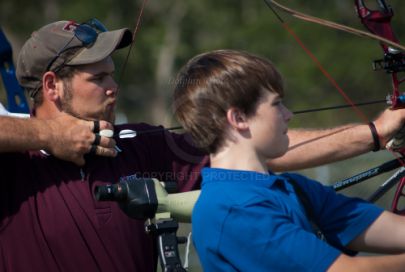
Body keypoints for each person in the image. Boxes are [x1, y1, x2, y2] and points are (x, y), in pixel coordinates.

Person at [0, 19, 404, 271]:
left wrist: (375, 132)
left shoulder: (136, 145)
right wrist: (50, 136)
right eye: (97, 78)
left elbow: (247, 145)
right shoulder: (16, 162)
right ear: (52, 86)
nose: (113, 87)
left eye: (112, 74)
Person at [173, 49, 405, 271]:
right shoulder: (233, 208)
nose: (288, 114)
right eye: (276, 104)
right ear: (239, 118)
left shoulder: (292, 188)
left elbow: (396, 232)